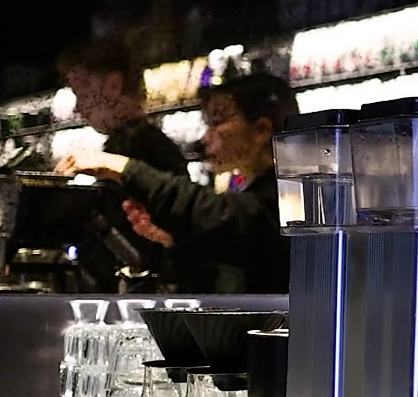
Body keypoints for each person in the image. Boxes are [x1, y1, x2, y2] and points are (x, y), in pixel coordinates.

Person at [58, 74, 296, 293]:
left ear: (261, 130)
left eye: (217, 122)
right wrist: (173, 240)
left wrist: (123, 168)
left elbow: (225, 216)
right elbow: (232, 253)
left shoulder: (291, 197)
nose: (206, 137)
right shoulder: (266, 192)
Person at [56, 41, 192, 288]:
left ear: (114, 85)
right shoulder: (143, 143)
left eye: (82, 94)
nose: (78, 108)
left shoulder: (137, 149)